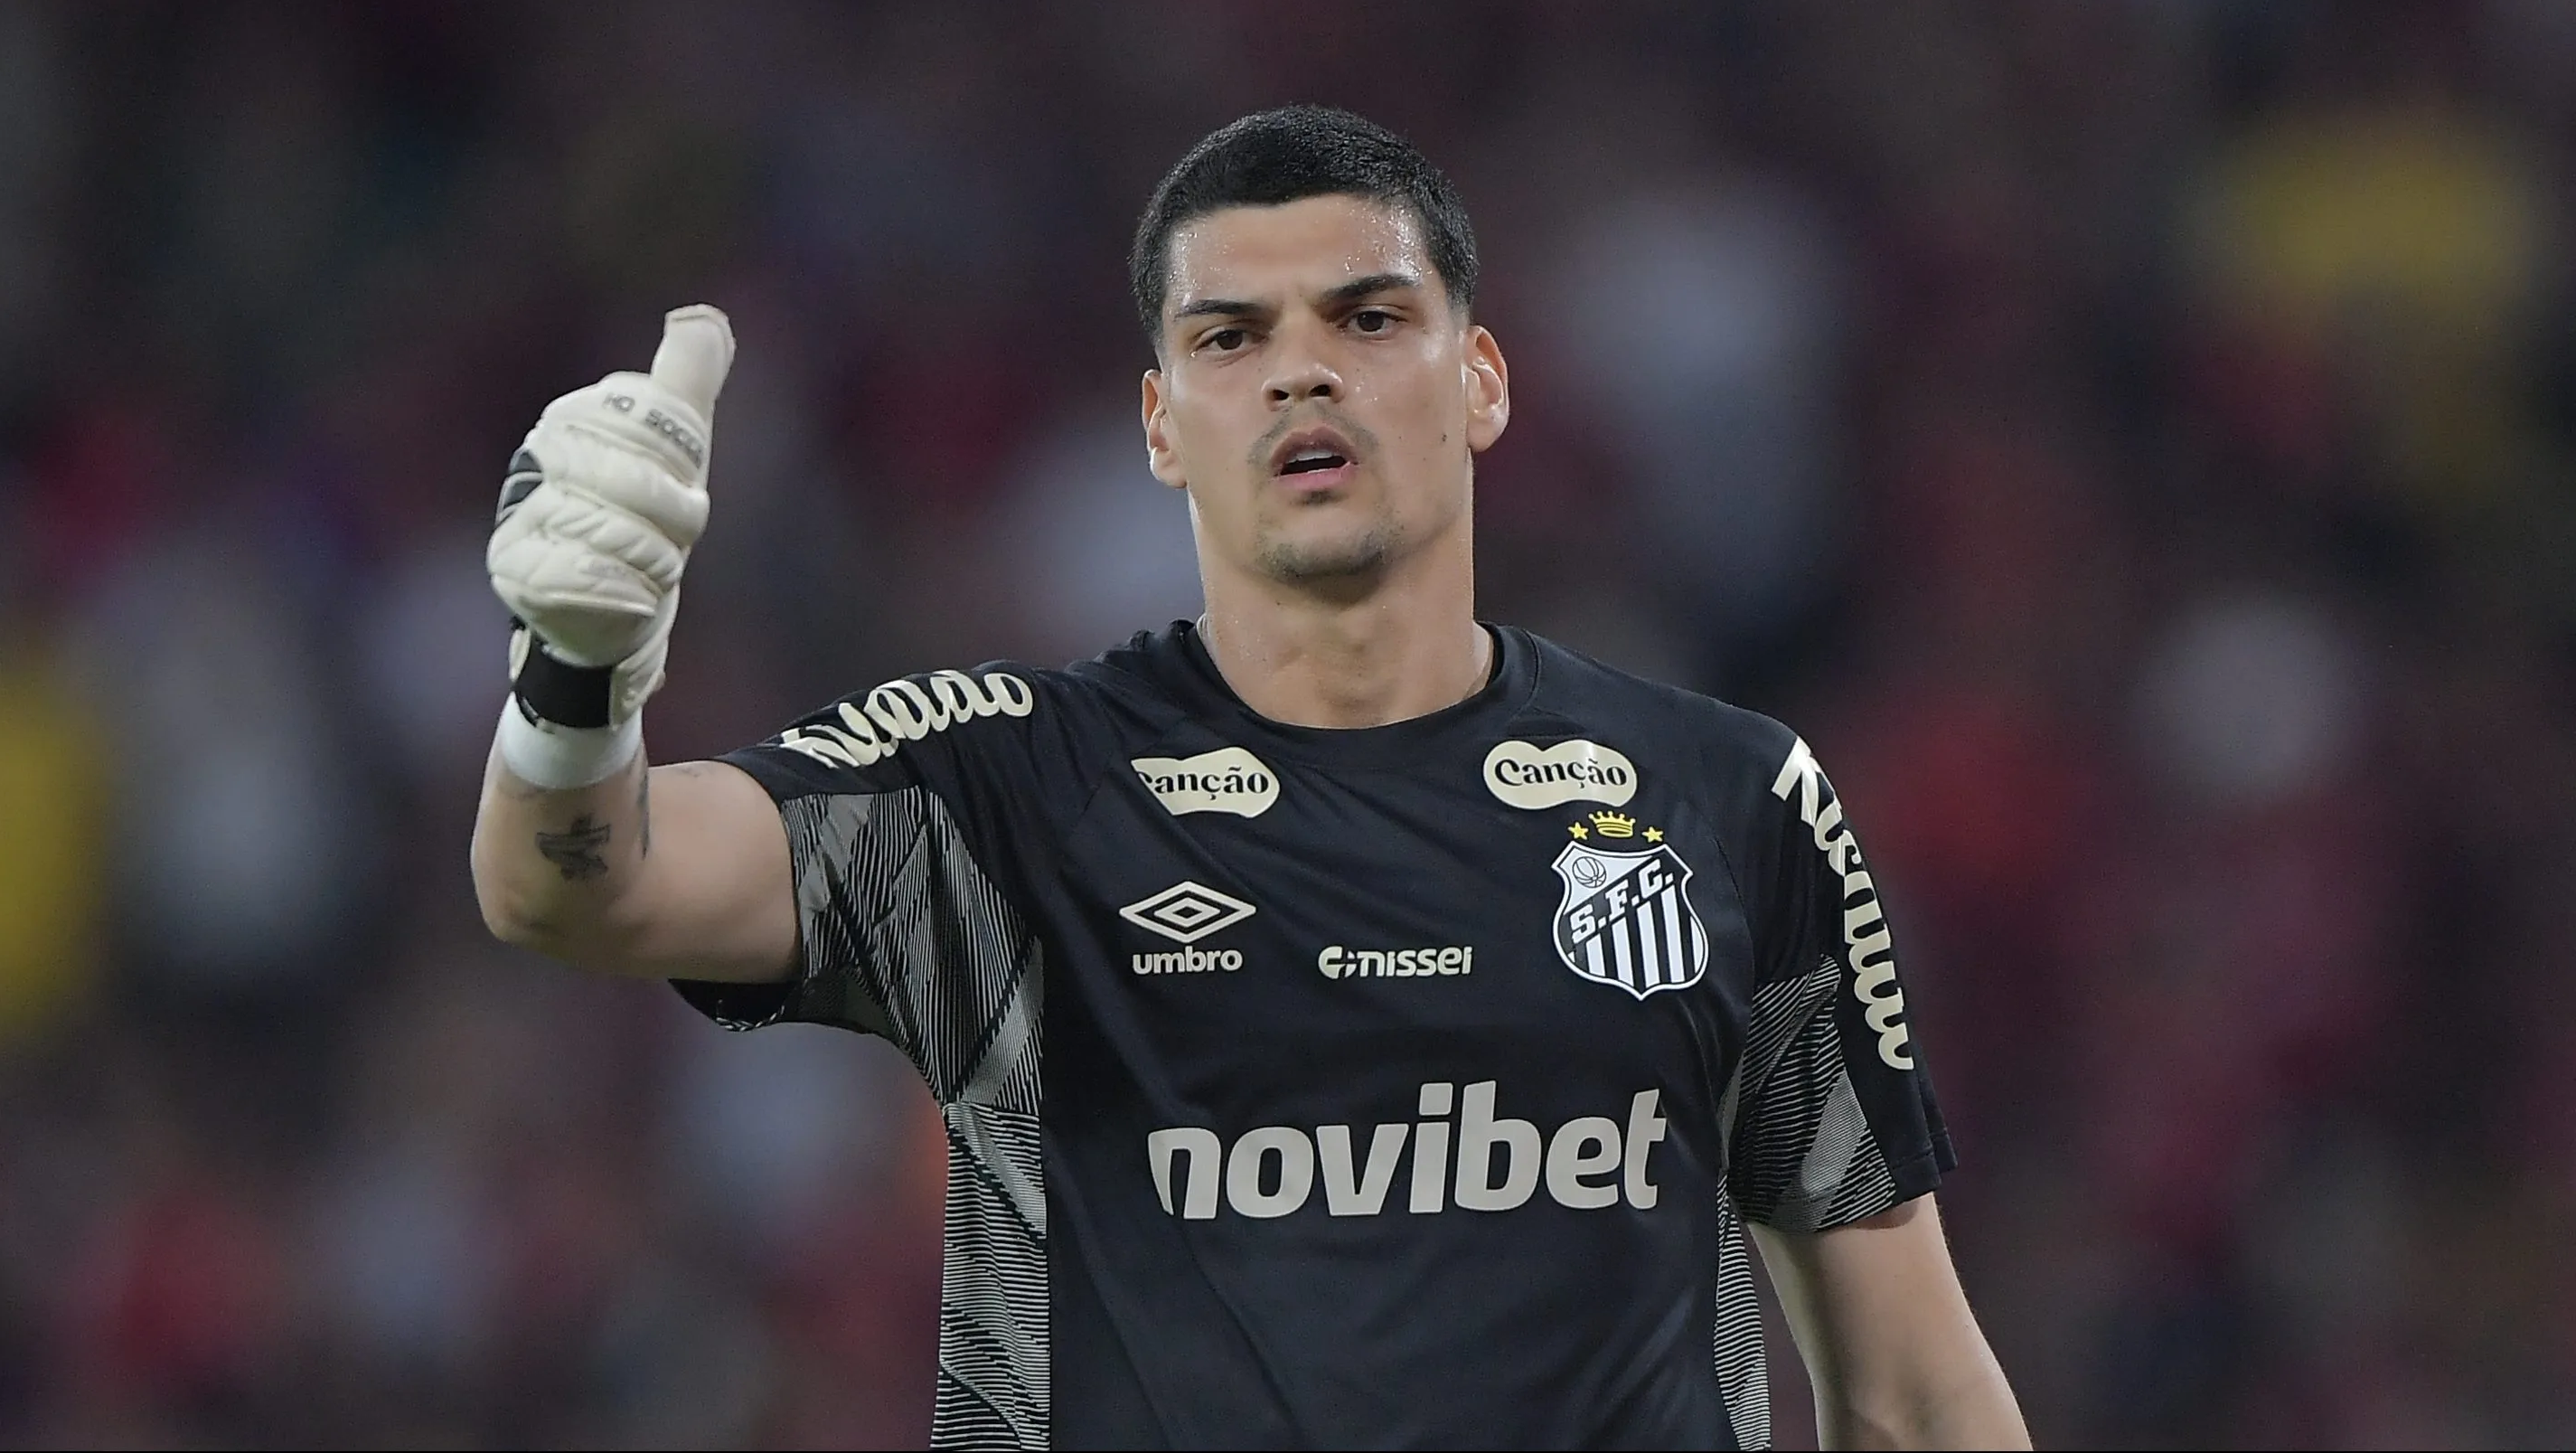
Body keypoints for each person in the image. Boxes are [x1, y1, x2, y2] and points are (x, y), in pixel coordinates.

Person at [471, 106, 2028, 1450]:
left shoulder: (1729, 802)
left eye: (1366, 317)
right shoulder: (1010, 794)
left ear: (1478, 381)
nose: (1300, 375)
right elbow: (573, 882)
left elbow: (1911, 1391)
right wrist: (574, 678)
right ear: (1162, 422)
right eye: (1231, 338)